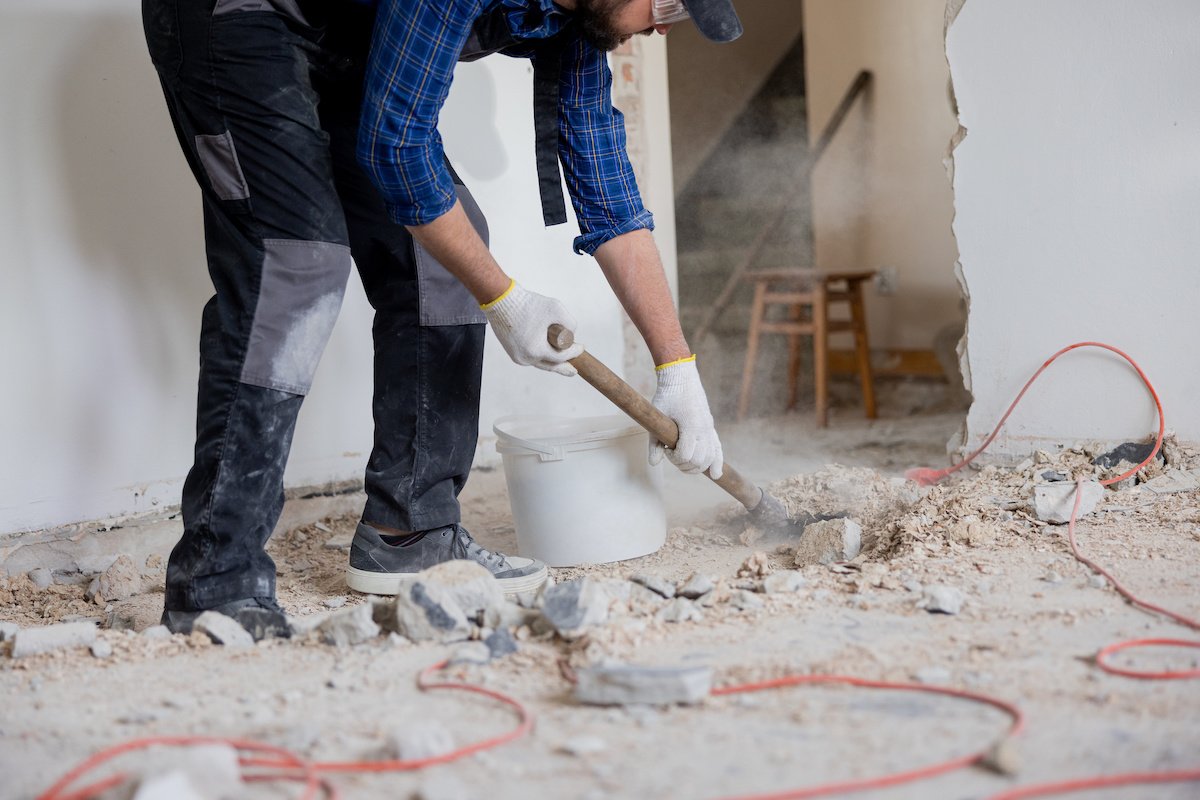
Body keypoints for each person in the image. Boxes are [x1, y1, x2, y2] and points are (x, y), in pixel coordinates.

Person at [142, 0, 742, 640]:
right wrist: (505, 299)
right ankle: (216, 577)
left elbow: (609, 193)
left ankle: (411, 531)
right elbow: (396, 145)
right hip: (238, 17)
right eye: (670, 3)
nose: (661, 27)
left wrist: (677, 369)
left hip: (346, 37)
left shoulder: (579, 20)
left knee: (445, 262)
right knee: (296, 263)